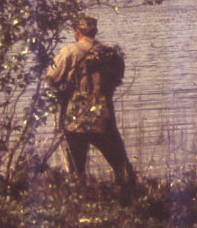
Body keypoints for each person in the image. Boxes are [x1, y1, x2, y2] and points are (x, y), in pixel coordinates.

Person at [45, 16, 136, 190]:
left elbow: (50, 80)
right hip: (103, 116)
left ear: (76, 32)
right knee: (120, 164)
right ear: (95, 31)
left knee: (76, 169)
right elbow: (117, 79)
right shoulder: (111, 53)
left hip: (75, 119)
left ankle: (79, 199)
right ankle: (132, 197)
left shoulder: (69, 51)